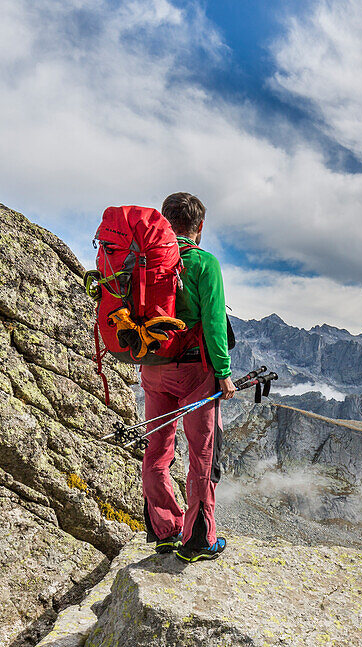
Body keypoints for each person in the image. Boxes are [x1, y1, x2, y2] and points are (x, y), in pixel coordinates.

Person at [140, 192, 235, 562]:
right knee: (203, 455)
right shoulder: (203, 262)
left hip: (152, 367)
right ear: (200, 227)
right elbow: (213, 324)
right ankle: (198, 540)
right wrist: (223, 373)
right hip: (195, 371)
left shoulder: (143, 261)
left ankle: (164, 529)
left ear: (164, 221)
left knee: (157, 448)